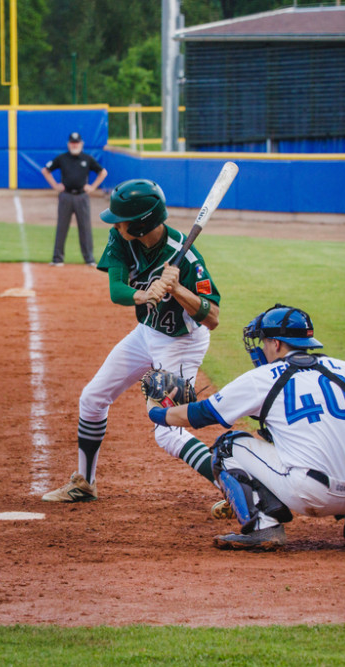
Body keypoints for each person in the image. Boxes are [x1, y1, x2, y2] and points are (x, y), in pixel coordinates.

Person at [145, 304, 345, 550]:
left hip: (311, 494)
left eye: (264, 341)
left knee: (227, 447)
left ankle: (263, 527)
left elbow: (203, 414)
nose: (262, 348)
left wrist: (158, 413)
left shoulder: (262, 378)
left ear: (275, 343)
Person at [42, 179, 220, 503]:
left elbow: (213, 317)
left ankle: (236, 489)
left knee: (168, 433)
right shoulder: (121, 238)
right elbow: (116, 289)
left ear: (140, 224)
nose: (114, 224)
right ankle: (85, 483)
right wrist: (143, 294)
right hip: (146, 334)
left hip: (180, 344)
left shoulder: (188, 259)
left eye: (121, 219)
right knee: (92, 398)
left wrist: (178, 290)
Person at [41, 131, 108, 267]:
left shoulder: (87, 159)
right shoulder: (62, 158)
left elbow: (103, 172)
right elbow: (45, 170)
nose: (74, 145)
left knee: (85, 228)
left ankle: (89, 259)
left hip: (82, 196)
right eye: (72, 142)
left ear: (81, 144)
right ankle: (57, 258)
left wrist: (93, 187)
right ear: (68, 144)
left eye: (77, 142)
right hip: (65, 196)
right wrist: (55, 185)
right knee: (62, 227)